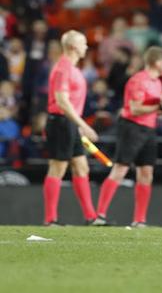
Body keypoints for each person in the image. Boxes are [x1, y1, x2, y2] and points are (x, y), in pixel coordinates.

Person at [95, 47, 162, 227]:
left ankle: (139, 220)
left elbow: (151, 111)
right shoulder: (138, 80)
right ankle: (99, 215)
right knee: (120, 169)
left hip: (148, 129)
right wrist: (161, 107)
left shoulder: (157, 83)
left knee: (146, 173)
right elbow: (135, 108)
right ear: (157, 62)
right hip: (131, 127)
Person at [43, 30, 99, 226]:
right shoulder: (63, 68)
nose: (86, 47)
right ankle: (50, 219)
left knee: (81, 167)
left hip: (69, 123)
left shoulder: (73, 69)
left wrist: (77, 125)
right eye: (83, 43)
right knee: (58, 167)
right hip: (60, 122)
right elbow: (62, 101)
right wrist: (84, 125)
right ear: (74, 47)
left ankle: (91, 217)